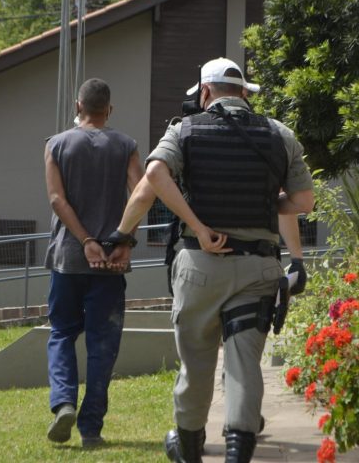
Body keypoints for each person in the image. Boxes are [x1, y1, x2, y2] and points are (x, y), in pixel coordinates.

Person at [106, 57, 314, 462]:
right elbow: (304, 202)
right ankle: (238, 451)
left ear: (205, 92)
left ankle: (188, 447)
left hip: (199, 266)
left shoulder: (183, 130)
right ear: (244, 93)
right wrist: (266, 209)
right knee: (244, 364)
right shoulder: (280, 134)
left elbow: (154, 176)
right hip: (258, 269)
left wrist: (195, 227)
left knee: (196, 362)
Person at [43, 78, 143, 448]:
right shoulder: (127, 145)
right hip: (111, 265)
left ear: (77, 106)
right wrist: (123, 240)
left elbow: (56, 199)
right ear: (109, 110)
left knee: (62, 333)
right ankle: (91, 428)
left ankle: (64, 402)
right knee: (103, 345)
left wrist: (85, 241)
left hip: (68, 260)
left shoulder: (56, 144)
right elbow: (141, 193)